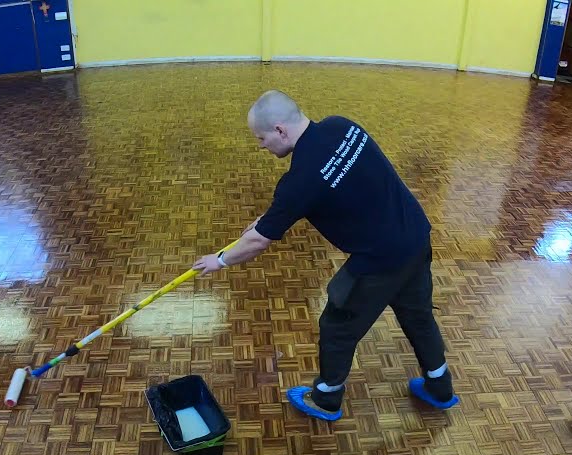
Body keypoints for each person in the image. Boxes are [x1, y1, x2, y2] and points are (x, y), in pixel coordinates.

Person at [193, 90, 459, 421]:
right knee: (418, 317)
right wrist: (270, 219)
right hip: (416, 238)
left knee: (336, 327)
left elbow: (258, 242)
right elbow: (333, 187)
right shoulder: (342, 126)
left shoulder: (298, 181)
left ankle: (326, 398)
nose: (260, 146)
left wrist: (218, 260)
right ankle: (440, 387)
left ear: (279, 130)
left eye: (261, 138)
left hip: (379, 262)